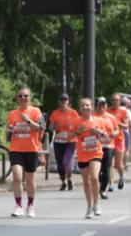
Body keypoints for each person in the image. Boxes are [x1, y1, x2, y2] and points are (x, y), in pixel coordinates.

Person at [6, 87, 45, 217]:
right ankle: (18, 206)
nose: (23, 98)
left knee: (30, 179)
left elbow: (40, 129)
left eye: (26, 96)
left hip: (31, 149)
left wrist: (27, 120)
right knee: (17, 176)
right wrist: (8, 132)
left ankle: (31, 205)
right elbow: (8, 132)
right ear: (17, 98)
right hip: (16, 149)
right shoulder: (12, 114)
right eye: (21, 96)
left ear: (30, 98)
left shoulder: (35, 111)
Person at [72, 98, 105, 219]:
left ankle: (97, 204)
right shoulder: (76, 121)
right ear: (80, 108)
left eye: (87, 105)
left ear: (91, 107)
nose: (85, 107)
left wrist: (99, 132)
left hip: (96, 153)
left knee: (94, 177)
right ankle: (89, 207)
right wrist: (77, 132)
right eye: (83, 106)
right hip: (82, 154)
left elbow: (106, 139)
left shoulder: (99, 121)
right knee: (86, 181)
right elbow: (68, 136)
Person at [48, 93, 79, 191]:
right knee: (60, 163)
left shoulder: (73, 113)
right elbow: (50, 127)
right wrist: (55, 127)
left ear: (68, 101)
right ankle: (64, 181)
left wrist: (73, 130)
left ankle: (69, 179)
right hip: (58, 140)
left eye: (65, 100)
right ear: (59, 102)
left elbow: (78, 125)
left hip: (70, 141)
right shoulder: (55, 113)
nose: (63, 102)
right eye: (61, 100)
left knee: (66, 161)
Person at [94, 98, 119, 199]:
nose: (102, 107)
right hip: (96, 146)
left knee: (106, 169)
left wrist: (114, 134)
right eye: (100, 105)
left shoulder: (111, 117)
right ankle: (97, 186)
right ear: (97, 105)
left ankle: (103, 190)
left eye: (104, 105)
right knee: (97, 169)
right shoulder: (93, 117)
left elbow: (117, 130)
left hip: (108, 146)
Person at [110, 93, 131, 189]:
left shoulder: (124, 112)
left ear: (119, 102)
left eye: (116, 100)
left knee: (118, 164)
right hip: (109, 139)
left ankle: (121, 176)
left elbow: (126, 125)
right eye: (113, 100)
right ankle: (111, 184)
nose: (114, 101)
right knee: (109, 163)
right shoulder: (107, 111)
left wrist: (115, 122)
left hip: (119, 139)